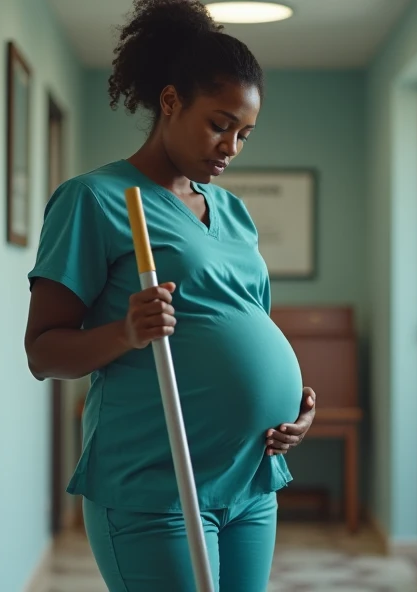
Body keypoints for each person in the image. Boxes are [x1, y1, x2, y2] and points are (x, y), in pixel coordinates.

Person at [23, 0, 316, 589]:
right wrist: (126, 332)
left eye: (245, 133)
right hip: (156, 487)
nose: (231, 147)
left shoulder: (232, 212)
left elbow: (245, 325)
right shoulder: (95, 200)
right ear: (170, 101)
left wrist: (291, 410)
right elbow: (43, 353)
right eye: (219, 123)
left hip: (252, 478)